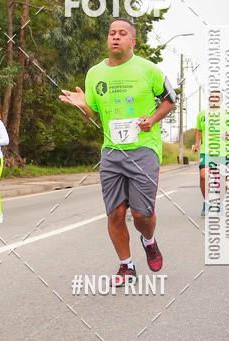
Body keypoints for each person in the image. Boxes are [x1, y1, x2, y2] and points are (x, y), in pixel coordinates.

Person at [60, 18, 176, 284]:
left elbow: (171, 99)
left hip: (144, 149)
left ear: (132, 41)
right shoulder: (94, 74)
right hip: (111, 151)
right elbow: (94, 114)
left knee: (141, 215)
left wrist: (153, 119)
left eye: (122, 33)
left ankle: (149, 240)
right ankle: (127, 266)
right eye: (112, 33)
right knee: (115, 213)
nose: (115, 37)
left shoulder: (149, 70)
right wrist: (82, 106)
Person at [193, 92, 229, 216]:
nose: (214, 99)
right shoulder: (201, 114)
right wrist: (197, 144)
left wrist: (227, 134)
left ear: (220, 100)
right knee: (203, 176)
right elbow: (198, 130)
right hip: (206, 151)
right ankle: (207, 203)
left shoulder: (227, 114)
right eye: (212, 97)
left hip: (223, 151)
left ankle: (222, 203)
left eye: (217, 97)